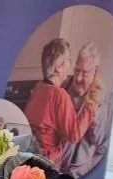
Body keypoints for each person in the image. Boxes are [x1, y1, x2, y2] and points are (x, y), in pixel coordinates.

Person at [23, 38, 102, 166]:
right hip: (48, 164)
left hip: (32, 158)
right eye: (69, 59)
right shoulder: (60, 95)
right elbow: (74, 135)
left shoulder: (38, 88)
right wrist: (90, 103)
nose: (71, 65)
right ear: (59, 67)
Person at [59, 42, 111, 179]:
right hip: (57, 163)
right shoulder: (65, 85)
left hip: (79, 172)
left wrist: (94, 111)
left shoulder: (100, 95)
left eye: (85, 73)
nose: (79, 78)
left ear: (95, 71)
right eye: (77, 70)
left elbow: (100, 141)